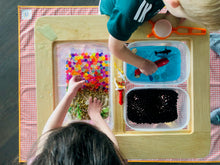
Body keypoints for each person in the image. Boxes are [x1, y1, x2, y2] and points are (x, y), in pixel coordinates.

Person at [99, 0, 220, 76]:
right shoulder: (130, 13)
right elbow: (115, 48)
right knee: (122, 39)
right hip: (113, 17)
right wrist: (143, 64)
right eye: (186, 15)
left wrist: (174, 14)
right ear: (175, 3)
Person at [27, 76, 126, 165]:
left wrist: (70, 93)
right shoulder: (112, 159)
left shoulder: (44, 160)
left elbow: (49, 131)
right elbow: (113, 146)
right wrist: (97, 117)